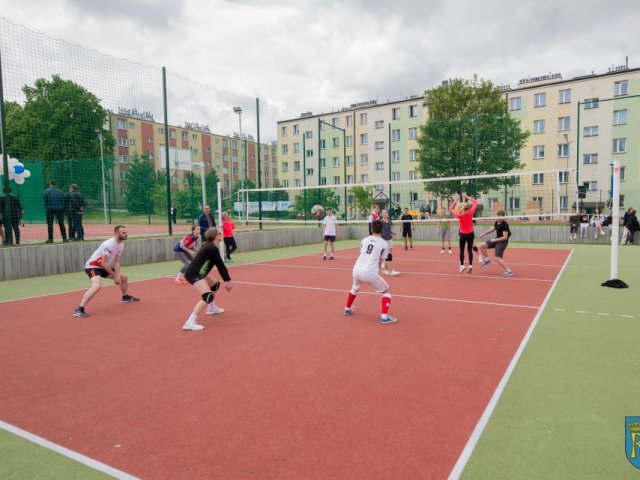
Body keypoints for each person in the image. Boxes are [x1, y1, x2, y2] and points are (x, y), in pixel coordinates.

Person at [73, 226, 139, 317]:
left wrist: (117, 275)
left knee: (123, 278)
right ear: (117, 234)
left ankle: (125, 297)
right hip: (93, 266)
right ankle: (79, 309)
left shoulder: (121, 245)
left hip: (104, 266)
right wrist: (114, 275)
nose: (126, 234)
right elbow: (104, 263)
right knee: (97, 286)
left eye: (126, 232)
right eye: (124, 233)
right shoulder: (109, 244)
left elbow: (117, 262)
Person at [343, 220, 397, 324]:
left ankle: (347, 308)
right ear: (381, 230)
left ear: (371, 229)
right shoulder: (384, 244)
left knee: (354, 288)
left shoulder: (364, 240)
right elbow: (382, 260)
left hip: (356, 270)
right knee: (387, 291)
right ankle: (384, 317)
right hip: (369, 273)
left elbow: (363, 253)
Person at [182, 227, 233, 331]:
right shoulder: (211, 248)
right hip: (193, 274)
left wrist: (226, 279)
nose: (221, 233)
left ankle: (212, 308)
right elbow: (220, 264)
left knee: (215, 285)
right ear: (215, 236)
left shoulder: (210, 246)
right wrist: (228, 280)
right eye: (219, 233)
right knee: (207, 296)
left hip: (200, 273)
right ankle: (190, 322)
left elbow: (218, 264)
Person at [478, 210, 513, 276]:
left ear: (503, 217)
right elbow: (493, 229)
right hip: (496, 240)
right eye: (497, 216)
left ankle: (509, 271)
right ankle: (487, 260)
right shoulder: (497, 222)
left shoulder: (505, 225)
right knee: (481, 245)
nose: (498, 217)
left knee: (497, 258)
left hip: (502, 242)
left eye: (500, 216)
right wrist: (484, 234)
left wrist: (494, 240)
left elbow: (505, 237)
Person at [449, 193, 478, 273]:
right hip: (470, 233)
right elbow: (475, 203)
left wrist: (456, 200)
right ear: (467, 208)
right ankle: (470, 265)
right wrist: (468, 197)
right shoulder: (470, 212)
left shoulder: (459, 214)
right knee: (469, 250)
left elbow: (450, 208)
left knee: (461, 250)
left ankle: (461, 265)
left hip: (463, 234)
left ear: (462, 208)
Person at [380, 209, 399, 276]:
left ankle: (384, 266)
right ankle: (387, 270)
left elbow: (389, 230)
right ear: (381, 214)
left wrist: (392, 233)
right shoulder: (381, 222)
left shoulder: (390, 221)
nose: (385, 214)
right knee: (387, 254)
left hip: (389, 239)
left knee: (390, 253)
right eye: (383, 213)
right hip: (384, 239)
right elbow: (379, 230)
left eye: (385, 212)